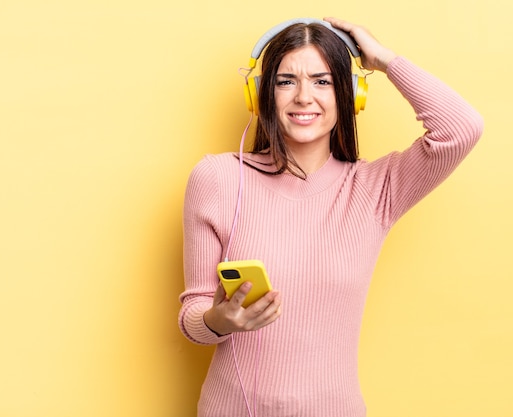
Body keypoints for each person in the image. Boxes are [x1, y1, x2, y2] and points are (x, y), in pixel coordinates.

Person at [178, 17, 483, 417]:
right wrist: (220, 320)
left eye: (322, 81)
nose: (304, 96)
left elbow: (461, 128)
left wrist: (385, 61)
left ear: (350, 95)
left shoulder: (377, 189)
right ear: (260, 95)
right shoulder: (217, 178)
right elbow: (192, 318)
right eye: (286, 81)